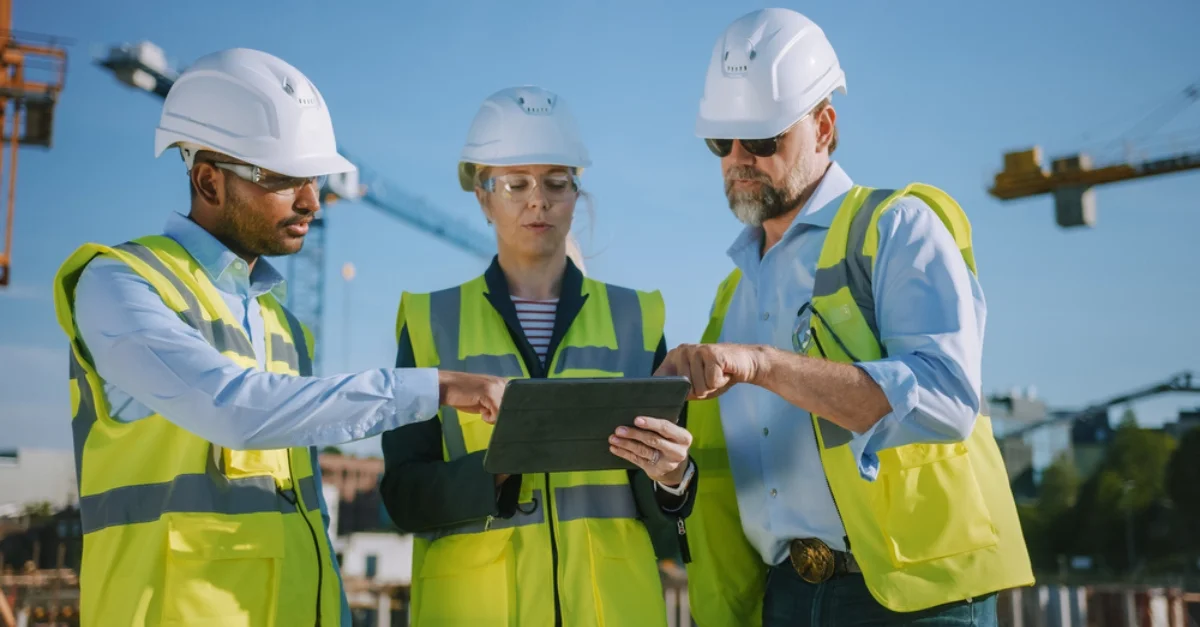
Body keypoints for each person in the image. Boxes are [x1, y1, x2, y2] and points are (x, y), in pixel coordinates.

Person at [50, 48, 506, 627]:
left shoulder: (281, 325)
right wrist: (433, 387)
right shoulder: (119, 284)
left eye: (312, 177)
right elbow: (233, 405)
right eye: (282, 178)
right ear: (208, 181)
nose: (312, 200)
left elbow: (307, 512)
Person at [661, 9, 1034, 627]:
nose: (736, 158)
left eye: (760, 139)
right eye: (720, 142)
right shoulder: (732, 296)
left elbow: (946, 398)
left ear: (824, 126)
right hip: (784, 598)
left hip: (916, 601)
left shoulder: (896, 228)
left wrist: (763, 364)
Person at [379, 85, 699, 627]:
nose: (538, 200)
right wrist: (495, 475)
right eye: (515, 183)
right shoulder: (429, 323)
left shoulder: (637, 320)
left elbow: (665, 523)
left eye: (556, 182)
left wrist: (674, 479)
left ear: (576, 194)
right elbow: (404, 496)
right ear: (482, 196)